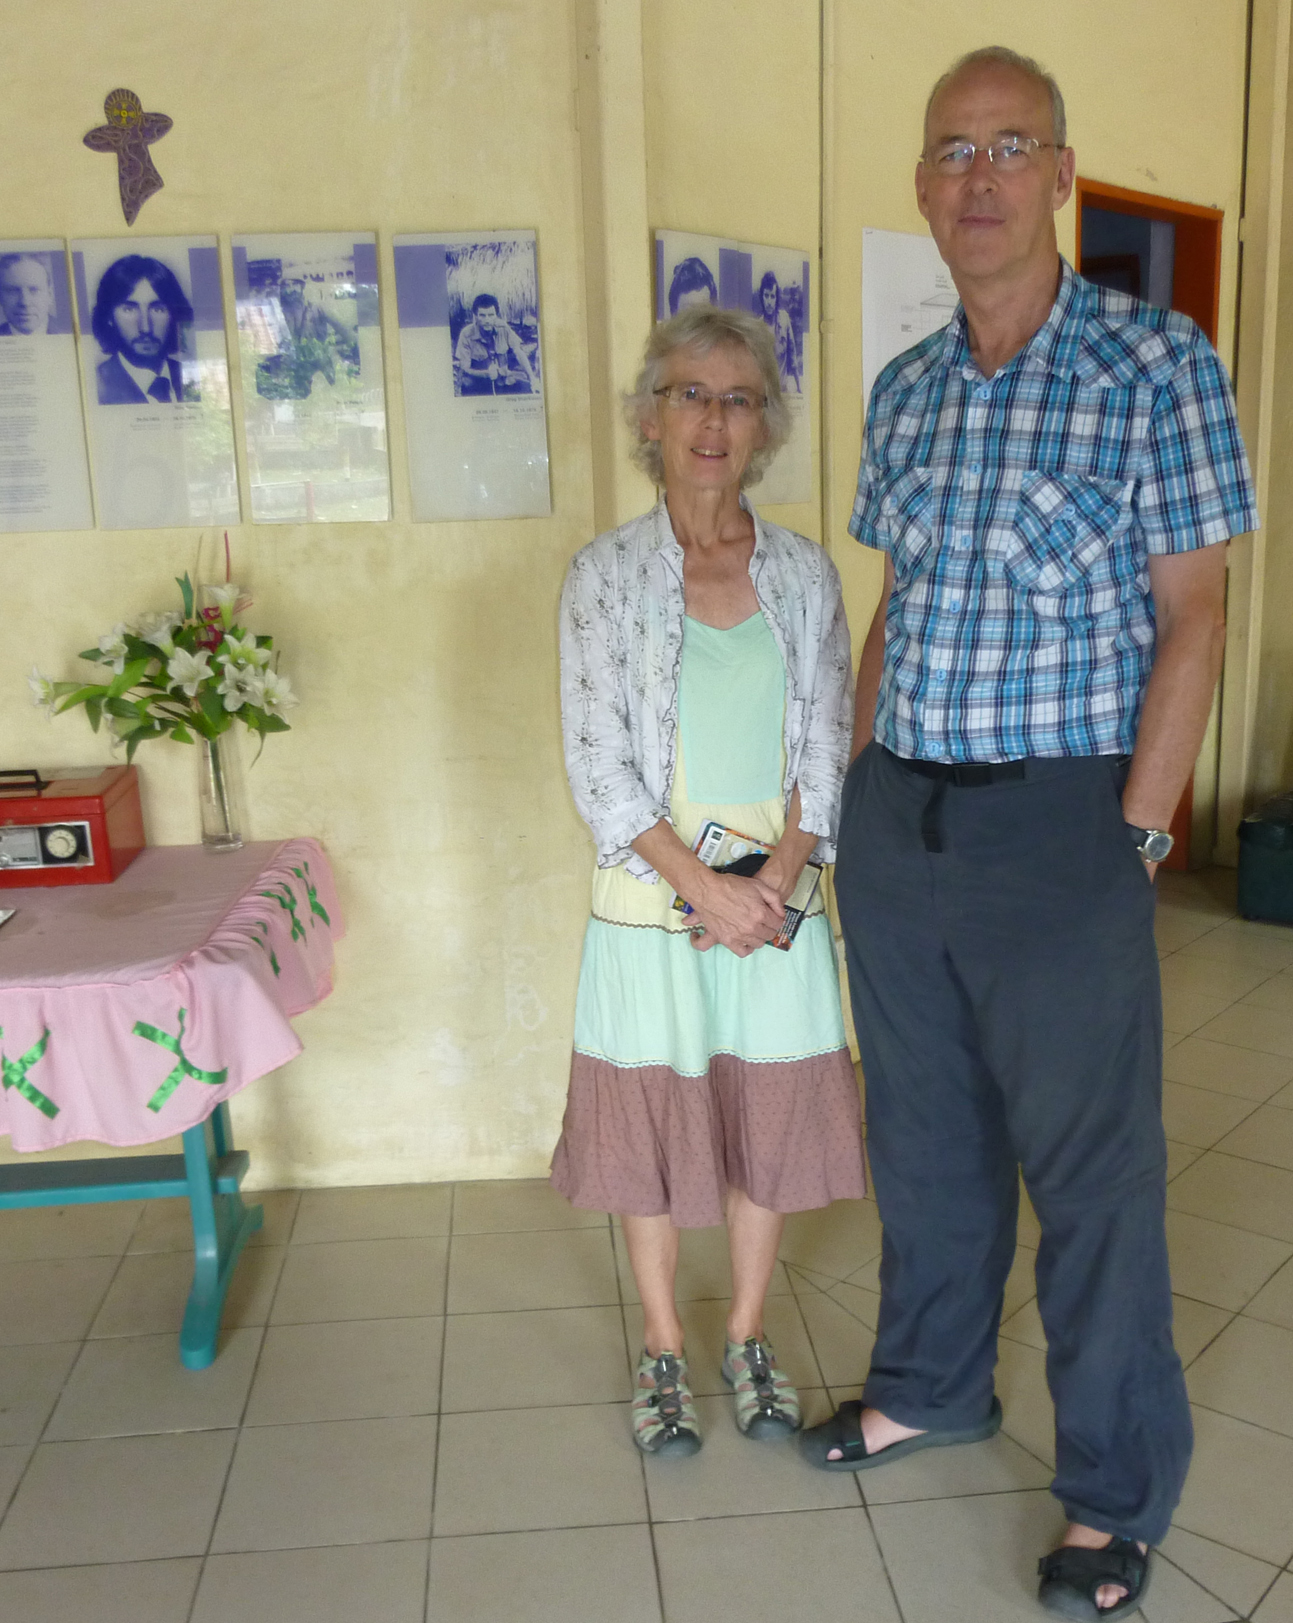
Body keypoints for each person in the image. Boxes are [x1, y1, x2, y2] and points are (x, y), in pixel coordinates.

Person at [796, 46, 1257, 1621]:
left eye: (1010, 146)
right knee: (921, 1138)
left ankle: (1115, 1489)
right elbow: (891, 608)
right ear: (922, 188)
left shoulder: (1155, 363)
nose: (977, 177)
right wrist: (852, 784)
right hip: (899, 816)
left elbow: (1192, 618)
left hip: (1064, 820)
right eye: (950, 151)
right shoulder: (908, 389)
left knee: (1092, 1172)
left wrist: (1132, 836)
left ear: (1062, 173)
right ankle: (930, 1380)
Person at [554, 305, 864, 1458]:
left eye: (738, 398)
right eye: (690, 393)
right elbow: (598, 766)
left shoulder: (800, 572)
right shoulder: (603, 577)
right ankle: (659, 1347)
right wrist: (706, 892)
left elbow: (826, 745)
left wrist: (776, 880)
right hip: (653, 905)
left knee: (762, 1121)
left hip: (777, 906)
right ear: (649, 416)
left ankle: (742, 1335)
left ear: (764, 427)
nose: (712, 419)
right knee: (649, 1124)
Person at [90, 254, 198, 405]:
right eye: (129, 309)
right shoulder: (95, 385)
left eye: (158, 309)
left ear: (174, 315)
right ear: (109, 317)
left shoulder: (191, 378)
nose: (145, 328)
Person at [453, 293, 534, 394]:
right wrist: (486, 374)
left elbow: (518, 352)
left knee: (527, 388)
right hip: (477, 385)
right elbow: (465, 368)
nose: (487, 320)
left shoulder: (503, 327)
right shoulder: (466, 334)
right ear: (475, 316)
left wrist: (532, 378)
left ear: (496, 314)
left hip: (502, 382)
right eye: (482, 315)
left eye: (491, 315)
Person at [756, 271, 800, 396]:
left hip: (783, 390)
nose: (769, 301)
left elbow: (792, 355)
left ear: (776, 298)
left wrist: (799, 387)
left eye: (772, 296)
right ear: (762, 297)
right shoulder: (758, 327)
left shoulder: (784, 319)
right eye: (766, 296)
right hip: (765, 394)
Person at [0, 252, 55, 336]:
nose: (24, 302)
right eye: (13, 291)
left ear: (49, 294)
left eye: (34, 290)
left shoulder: (71, 333)